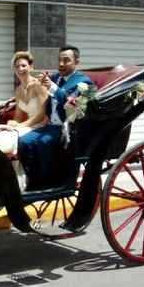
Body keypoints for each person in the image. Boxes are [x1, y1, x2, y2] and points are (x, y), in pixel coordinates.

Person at [18, 45, 93, 190]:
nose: (61, 64)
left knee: (44, 142)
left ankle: (48, 182)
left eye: (66, 60)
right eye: (59, 60)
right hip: (49, 125)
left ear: (77, 62)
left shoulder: (84, 83)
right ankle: (32, 179)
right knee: (23, 141)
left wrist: (53, 88)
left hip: (68, 129)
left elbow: (72, 103)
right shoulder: (55, 78)